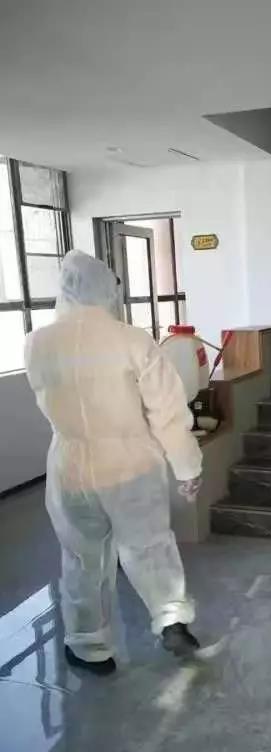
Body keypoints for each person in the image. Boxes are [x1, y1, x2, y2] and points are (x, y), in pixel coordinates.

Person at [25, 250, 204, 675]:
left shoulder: (37, 342)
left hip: (70, 466)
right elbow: (167, 411)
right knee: (149, 545)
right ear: (108, 289)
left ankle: (90, 648)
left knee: (82, 558)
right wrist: (187, 467)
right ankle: (171, 618)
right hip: (130, 464)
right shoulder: (132, 340)